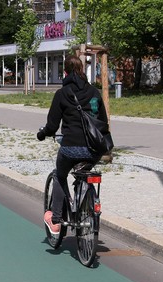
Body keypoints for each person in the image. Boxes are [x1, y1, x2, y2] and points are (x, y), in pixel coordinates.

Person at [37, 55, 109, 236]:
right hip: (94, 149)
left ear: (65, 72)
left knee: (60, 175)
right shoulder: (94, 92)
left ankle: (56, 220)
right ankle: (86, 202)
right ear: (82, 70)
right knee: (84, 171)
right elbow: (103, 122)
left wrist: (42, 133)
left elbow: (52, 126)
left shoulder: (62, 94)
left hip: (70, 147)